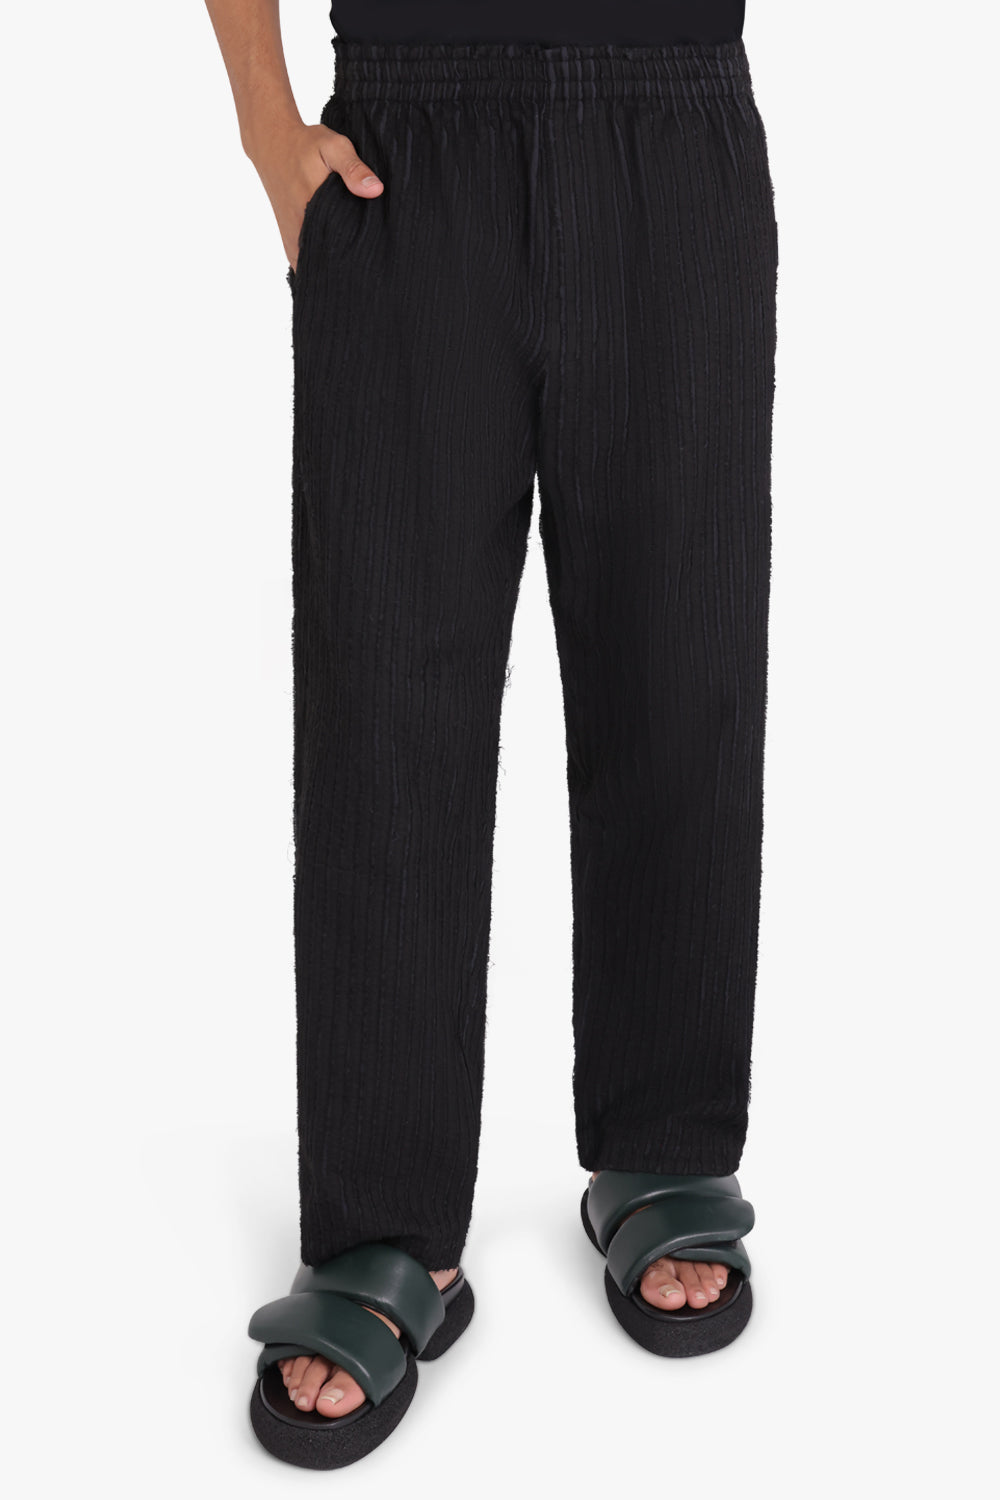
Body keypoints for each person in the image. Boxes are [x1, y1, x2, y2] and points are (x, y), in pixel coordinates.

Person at [204, 0, 778, 1469]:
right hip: (407, 133)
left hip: (674, 106)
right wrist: (266, 120)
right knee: (384, 685)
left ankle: (664, 1139)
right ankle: (385, 1221)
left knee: (681, 652)